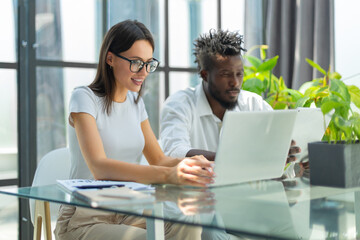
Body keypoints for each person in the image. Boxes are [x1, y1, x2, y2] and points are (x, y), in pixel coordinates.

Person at [54, 20, 214, 240]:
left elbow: (158, 158)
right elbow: (100, 167)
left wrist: (195, 164)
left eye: (149, 63)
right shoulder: (84, 98)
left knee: (188, 219)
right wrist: (169, 174)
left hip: (128, 210)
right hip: (85, 219)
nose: (144, 72)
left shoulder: (135, 102)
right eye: (136, 62)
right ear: (110, 58)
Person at [160, 29, 300, 163]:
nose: (235, 82)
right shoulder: (180, 104)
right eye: (226, 74)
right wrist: (234, 160)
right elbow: (175, 151)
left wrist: (288, 153)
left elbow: (278, 141)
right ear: (205, 75)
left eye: (239, 74)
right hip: (192, 188)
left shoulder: (253, 104)